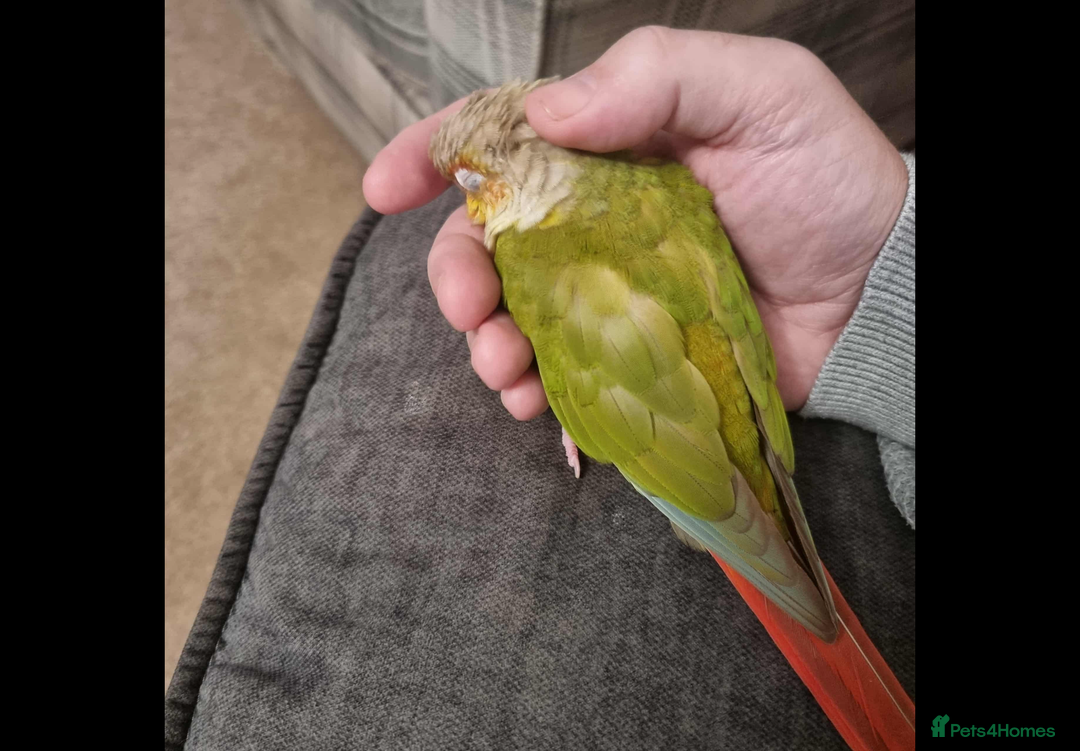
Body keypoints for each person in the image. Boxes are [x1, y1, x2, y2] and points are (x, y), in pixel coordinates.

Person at [363, 26, 915, 526]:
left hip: (695, 462)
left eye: (472, 187)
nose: (472, 206)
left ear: (485, 176)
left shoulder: (529, 260)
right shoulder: (658, 181)